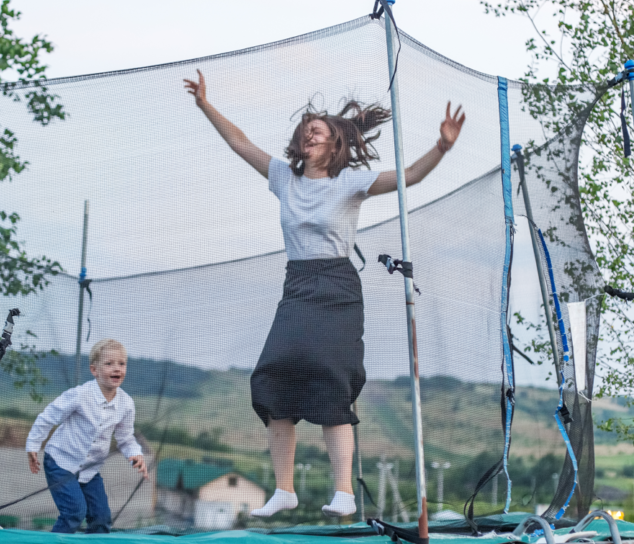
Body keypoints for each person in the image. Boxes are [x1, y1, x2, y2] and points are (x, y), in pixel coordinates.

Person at [184, 70, 466, 517]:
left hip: (336, 287)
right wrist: (204, 104)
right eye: (304, 131)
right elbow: (240, 142)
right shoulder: (283, 178)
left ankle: (343, 494)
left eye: (317, 130)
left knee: (332, 381)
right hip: (297, 284)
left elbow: (410, 176)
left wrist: (442, 147)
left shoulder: (349, 182)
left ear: (335, 144)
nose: (308, 134)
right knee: (272, 378)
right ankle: (284, 490)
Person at [26, 338, 148, 533]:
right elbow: (49, 416)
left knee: (101, 518)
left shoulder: (126, 403)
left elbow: (125, 438)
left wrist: (135, 453)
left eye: (121, 364)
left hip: (90, 470)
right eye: (109, 364)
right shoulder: (80, 395)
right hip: (61, 462)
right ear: (95, 370)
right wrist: (33, 445)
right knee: (74, 512)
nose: (116, 368)